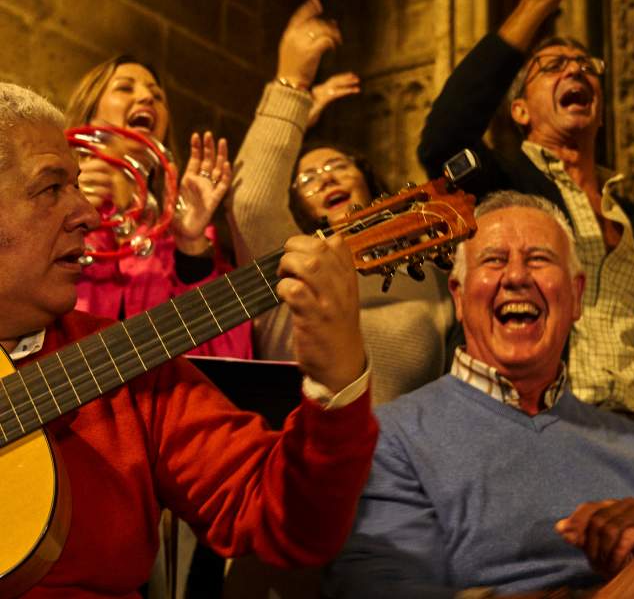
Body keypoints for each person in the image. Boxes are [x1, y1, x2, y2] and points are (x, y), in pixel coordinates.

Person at [0, 82, 377, 597]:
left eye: (77, 186)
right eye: (51, 188)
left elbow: (290, 526)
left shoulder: (128, 364)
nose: (87, 214)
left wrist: (338, 388)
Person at [325, 192, 634, 598]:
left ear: (576, 296)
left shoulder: (630, 442)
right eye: (493, 260)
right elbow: (380, 587)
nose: (516, 276)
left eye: (539, 259)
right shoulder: (389, 437)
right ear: (457, 295)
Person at [418, 0, 634, 415]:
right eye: (554, 66)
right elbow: (441, 141)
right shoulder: (501, 184)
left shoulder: (629, 212)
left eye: (586, 66)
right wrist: (535, 3)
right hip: (536, 420)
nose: (576, 71)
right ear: (519, 109)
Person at [229, 0, 459, 407]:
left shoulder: (432, 272)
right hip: (314, 457)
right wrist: (292, 85)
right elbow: (251, 200)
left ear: (367, 178)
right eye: (307, 179)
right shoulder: (289, 264)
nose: (327, 178)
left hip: (408, 462)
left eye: (337, 165)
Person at [65, 54, 252, 359]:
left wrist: (192, 250)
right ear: (89, 117)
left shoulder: (172, 236)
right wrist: (67, 209)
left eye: (157, 95)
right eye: (125, 88)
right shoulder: (44, 206)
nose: (146, 98)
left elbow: (228, 360)